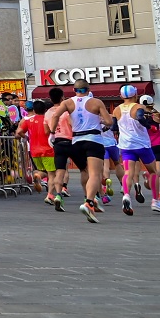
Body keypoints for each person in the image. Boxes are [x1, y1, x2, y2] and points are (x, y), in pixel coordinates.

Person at [46, 79, 111, 222]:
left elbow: (56, 115)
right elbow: (109, 122)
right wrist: (101, 121)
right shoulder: (96, 102)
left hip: (76, 141)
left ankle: (92, 201)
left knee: (82, 170)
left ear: (74, 90)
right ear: (88, 89)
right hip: (93, 140)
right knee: (93, 174)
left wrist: (52, 133)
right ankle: (89, 201)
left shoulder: (68, 103)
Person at [114, 86, 160, 215]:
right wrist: (149, 125)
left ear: (121, 96)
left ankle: (126, 195)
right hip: (142, 145)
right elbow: (139, 117)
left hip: (126, 146)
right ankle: (155, 201)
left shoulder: (116, 109)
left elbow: (114, 126)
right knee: (153, 172)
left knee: (128, 172)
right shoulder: (139, 107)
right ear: (136, 95)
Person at [16, 100, 55, 199]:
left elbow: (19, 132)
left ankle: (37, 175)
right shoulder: (47, 119)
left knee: (42, 170)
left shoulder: (29, 120)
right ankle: (50, 195)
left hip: (34, 150)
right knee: (51, 173)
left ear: (34, 109)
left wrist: (26, 137)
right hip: (48, 150)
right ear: (45, 110)